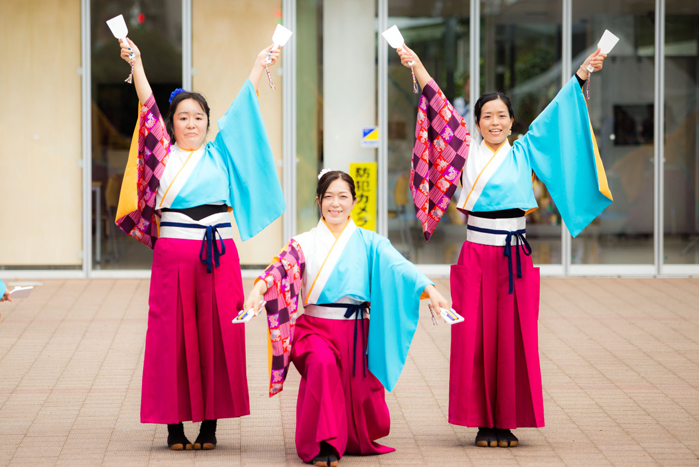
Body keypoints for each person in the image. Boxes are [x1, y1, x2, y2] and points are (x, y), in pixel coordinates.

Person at [397, 45, 612, 448]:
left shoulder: (525, 149)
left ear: (512, 121)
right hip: (477, 254)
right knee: (475, 338)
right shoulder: (464, 150)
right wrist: (418, 65)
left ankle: (507, 421)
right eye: (486, 117)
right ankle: (482, 422)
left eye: (501, 116)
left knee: (515, 337)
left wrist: (583, 72)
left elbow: (557, 113)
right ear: (476, 124)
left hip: (515, 256)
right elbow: (439, 106)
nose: (494, 123)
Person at [114, 39, 285, 450]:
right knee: (169, 336)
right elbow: (147, 105)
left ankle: (210, 425)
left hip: (219, 254)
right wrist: (136, 62)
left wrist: (259, 64)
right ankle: (173, 427)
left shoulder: (220, 153)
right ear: (171, 124)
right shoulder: (160, 155)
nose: (191, 124)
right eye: (183, 118)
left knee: (219, 334)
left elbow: (242, 112)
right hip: (174, 253)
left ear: (208, 122)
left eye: (199, 117)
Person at [244, 170, 449, 466]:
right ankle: (324, 443)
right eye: (328, 197)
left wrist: (431, 290)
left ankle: (348, 436)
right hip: (315, 329)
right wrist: (257, 291)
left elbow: (400, 268)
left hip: (356, 331)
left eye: (343, 197)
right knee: (322, 365)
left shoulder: (370, 241)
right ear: (318, 201)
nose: (335, 204)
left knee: (359, 391)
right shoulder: (303, 243)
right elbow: (279, 269)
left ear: (354, 201)